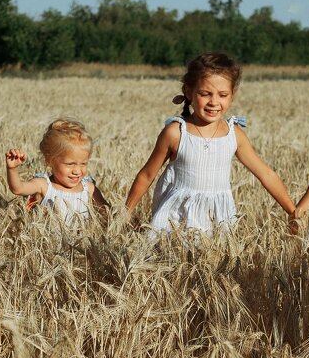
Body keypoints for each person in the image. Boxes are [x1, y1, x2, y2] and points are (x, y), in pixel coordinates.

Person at [124, 51, 295, 233]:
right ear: (189, 92)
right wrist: (125, 213)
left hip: (217, 220)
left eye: (223, 95)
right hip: (175, 220)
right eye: (205, 94)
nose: (214, 102)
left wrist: (293, 211)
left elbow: (266, 174)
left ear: (232, 94)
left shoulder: (234, 135)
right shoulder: (176, 133)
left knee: (212, 260)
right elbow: (147, 175)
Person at [5, 119, 109, 224]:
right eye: (70, 164)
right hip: (46, 241)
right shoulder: (44, 185)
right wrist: (12, 169)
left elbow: (108, 216)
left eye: (83, 164)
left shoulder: (89, 188)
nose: (77, 171)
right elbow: (18, 189)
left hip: (82, 240)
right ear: (50, 161)